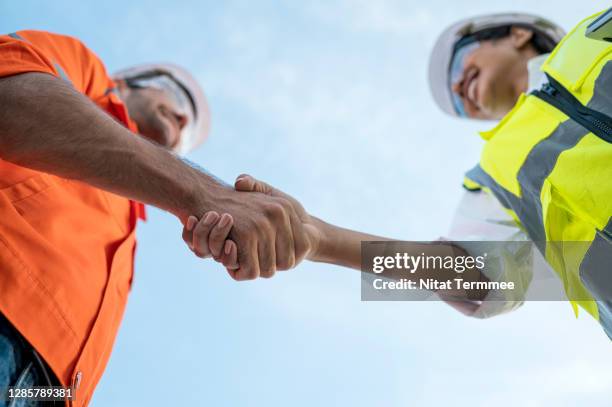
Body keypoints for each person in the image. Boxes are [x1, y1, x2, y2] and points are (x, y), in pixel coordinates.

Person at [193, 9, 612, 339]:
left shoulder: (591, 35)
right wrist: (320, 240)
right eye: (455, 101)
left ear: (517, 34)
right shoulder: (494, 178)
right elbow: (475, 277)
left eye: (459, 62)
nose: (456, 90)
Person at [0, 30, 314, 406]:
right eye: (176, 95)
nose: (183, 119)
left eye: (190, 135)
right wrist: (203, 193)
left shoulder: (130, 232)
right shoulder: (83, 69)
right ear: (126, 82)